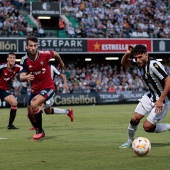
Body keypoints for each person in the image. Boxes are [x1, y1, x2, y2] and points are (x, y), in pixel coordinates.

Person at [19, 36, 71, 140]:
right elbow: (21, 77)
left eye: (35, 45)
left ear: (37, 46)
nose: (33, 48)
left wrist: (61, 62)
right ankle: (38, 128)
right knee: (29, 114)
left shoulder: (44, 54)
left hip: (48, 87)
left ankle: (40, 131)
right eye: (30, 46)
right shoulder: (24, 60)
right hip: (35, 90)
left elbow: (55, 54)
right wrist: (25, 77)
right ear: (26, 47)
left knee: (34, 104)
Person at [119, 44, 170, 149]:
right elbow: (124, 63)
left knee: (147, 127)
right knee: (135, 118)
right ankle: (130, 141)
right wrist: (127, 54)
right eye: (136, 58)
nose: (137, 60)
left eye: (140, 57)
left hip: (162, 99)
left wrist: (161, 100)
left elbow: (168, 80)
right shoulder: (139, 63)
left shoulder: (153, 65)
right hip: (150, 95)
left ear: (146, 55)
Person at [28, 64, 74, 131]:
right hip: (40, 90)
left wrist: (65, 84)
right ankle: (67, 111)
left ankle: (38, 128)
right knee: (47, 111)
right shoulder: (38, 67)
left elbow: (63, 76)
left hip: (49, 89)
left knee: (38, 107)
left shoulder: (51, 67)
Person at [0, 52, 22, 129]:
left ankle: (10, 125)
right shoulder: (2, 67)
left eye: (13, 58)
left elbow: (26, 69)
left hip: (3, 90)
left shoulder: (17, 67)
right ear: (7, 59)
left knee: (14, 103)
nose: (12, 59)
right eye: (10, 58)